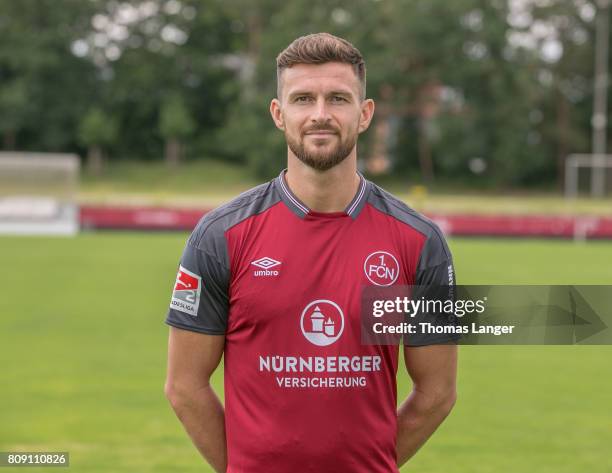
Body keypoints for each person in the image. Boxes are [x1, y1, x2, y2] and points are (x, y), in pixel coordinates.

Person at [164, 32, 458, 473]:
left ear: (365, 114)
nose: (320, 115)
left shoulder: (419, 242)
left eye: (338, 98)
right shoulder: (220, 236)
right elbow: (184, 386)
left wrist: (370, 463)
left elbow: (437, 392)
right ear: (279, 114)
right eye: (303, 99)